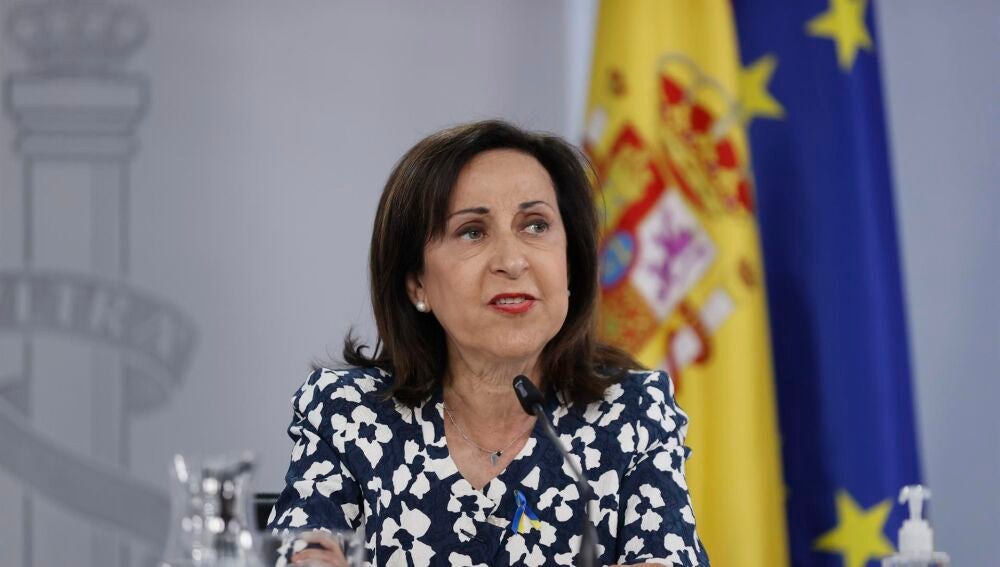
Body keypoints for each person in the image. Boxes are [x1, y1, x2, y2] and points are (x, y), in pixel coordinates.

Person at [268, 120, 710, 566]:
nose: (512, 261)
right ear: (417, 282)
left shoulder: (631, 411)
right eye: (473, 231)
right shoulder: (349, 413)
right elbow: (299, 558)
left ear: (570, 265)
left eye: (535, 225)